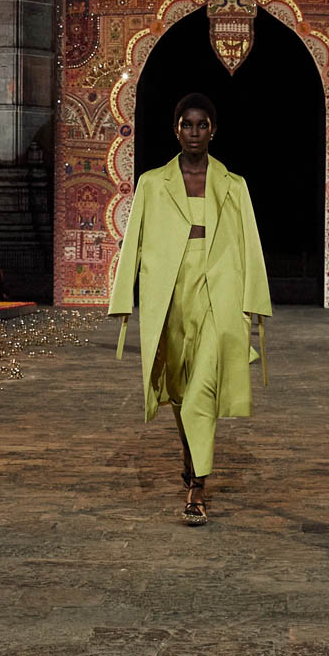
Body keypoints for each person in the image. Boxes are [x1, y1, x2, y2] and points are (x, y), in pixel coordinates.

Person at [108, 93, 272, 525]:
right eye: (187, 124)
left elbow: (250, 243)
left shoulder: (234, 185)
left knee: (202, 385)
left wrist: (255, 301)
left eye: (202, 124)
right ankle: (190, 452)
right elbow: (133, 242)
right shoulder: (151, 183)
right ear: (176, 130)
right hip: (170, 290)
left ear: (213, 130)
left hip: (220, 290)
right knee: (179, 387)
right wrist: (123, 298)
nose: (194, 132)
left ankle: (197, 487)